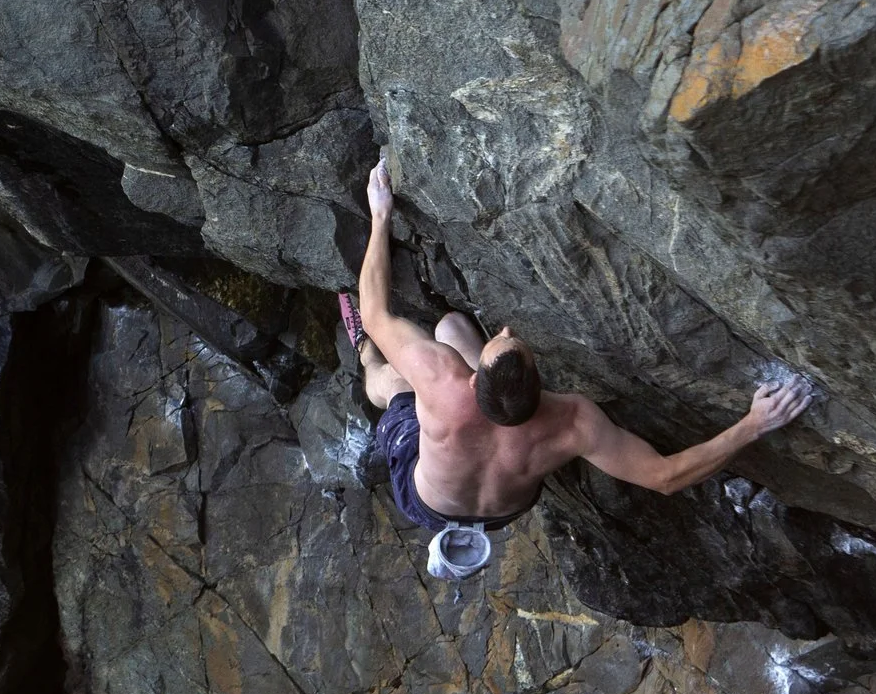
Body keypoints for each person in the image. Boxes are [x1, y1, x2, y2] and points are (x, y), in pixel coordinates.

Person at [346, 156, 814, 553]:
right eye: (506, 338)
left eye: (505, 337)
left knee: (394, 387)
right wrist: (752, 424)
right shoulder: (573, 421)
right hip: (505, 511)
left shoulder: (440, 382)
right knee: (450, 326)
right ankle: (393, 361)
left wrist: (381, 214)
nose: (506, 329)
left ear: (472, 379)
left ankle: (366, 362)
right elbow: (665, 476)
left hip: (430, 502)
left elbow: (374, 312)